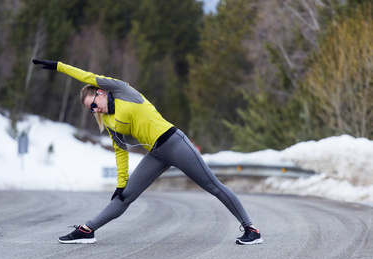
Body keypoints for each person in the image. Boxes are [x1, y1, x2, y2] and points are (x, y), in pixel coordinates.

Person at [32, 59, 263, 245]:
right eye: (90, 110)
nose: (94, 110)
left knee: (213, 186)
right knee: (124, 197)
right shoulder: (110, 122)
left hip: (174, 142)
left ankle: (251, 229)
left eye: (93, 104)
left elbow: (88, 77)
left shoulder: (122, 91)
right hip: (155, 154)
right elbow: (120, 152)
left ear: (100, 93)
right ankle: (87, 230)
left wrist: (59, 67)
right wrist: (120, 184)